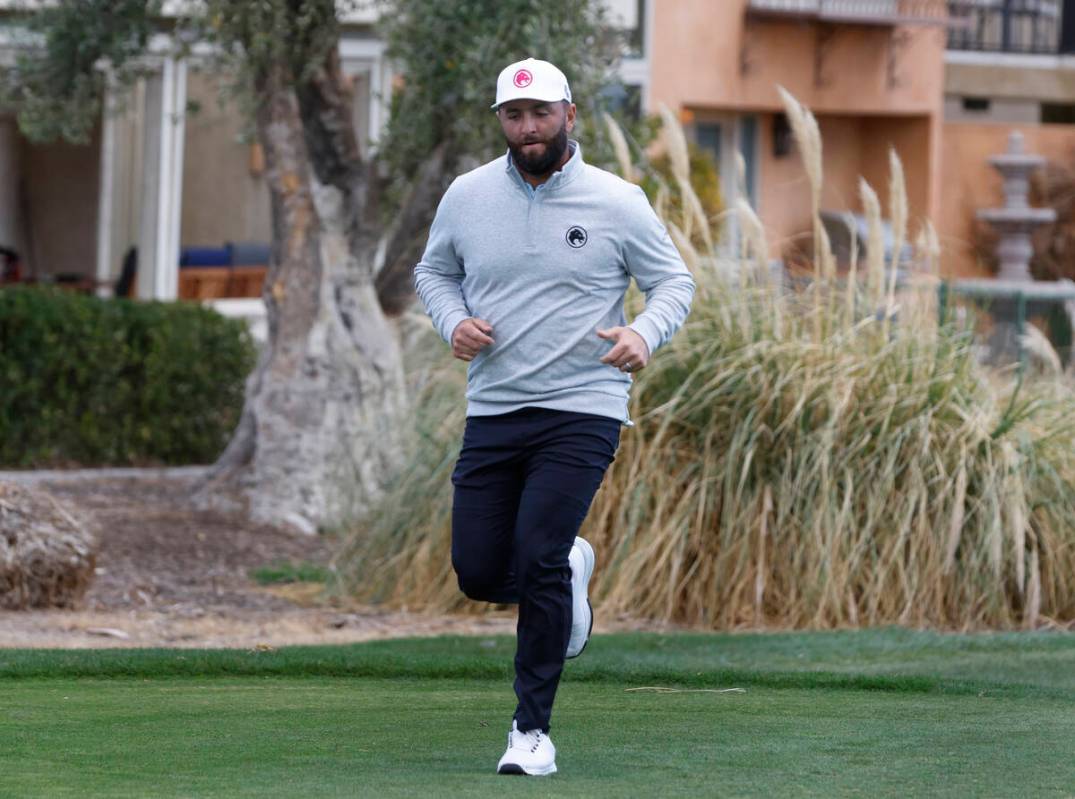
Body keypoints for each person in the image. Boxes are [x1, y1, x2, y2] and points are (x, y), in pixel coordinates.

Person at [413, 57, 695, 777]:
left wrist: (642, 334)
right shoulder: (467, 195)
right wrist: (452, 322)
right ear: (500, 121)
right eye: (514, 115)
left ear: (570, 114)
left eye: (541, 112)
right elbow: (433, 272)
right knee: (478, 570)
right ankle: (568, 568)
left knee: (536, 551)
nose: (528, 126)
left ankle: (529, 732)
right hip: (495, 406)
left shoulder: (617, 199)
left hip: (582, 405)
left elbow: (673, 281)